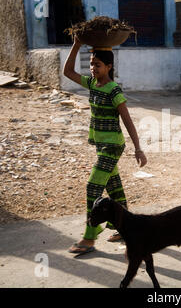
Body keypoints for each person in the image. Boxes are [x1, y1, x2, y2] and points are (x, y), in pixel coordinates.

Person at [64, 37, 147, 255]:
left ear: (109, 67)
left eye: (97, 65)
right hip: (101, 145)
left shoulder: (113, 90)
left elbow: (128, 120)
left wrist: (138, 148)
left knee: (93, 186)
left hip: (113, 146)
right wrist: (76, 45)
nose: (93, 68)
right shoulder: (92, 83)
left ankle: (89, 238)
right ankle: (125, 228)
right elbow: (68, 72)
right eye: (91, 64)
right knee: (114, 188)